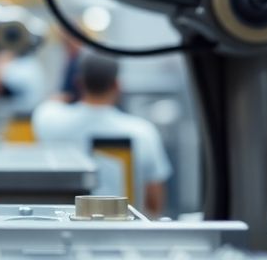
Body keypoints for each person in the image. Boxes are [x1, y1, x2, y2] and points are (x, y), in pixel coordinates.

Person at [32, 50, 172, 217]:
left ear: (79, 83)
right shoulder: (142, 132)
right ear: (117, 85)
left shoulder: (49, 120)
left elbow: (51, 103)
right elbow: (154, 202)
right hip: (125, 233)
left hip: (68, 230)